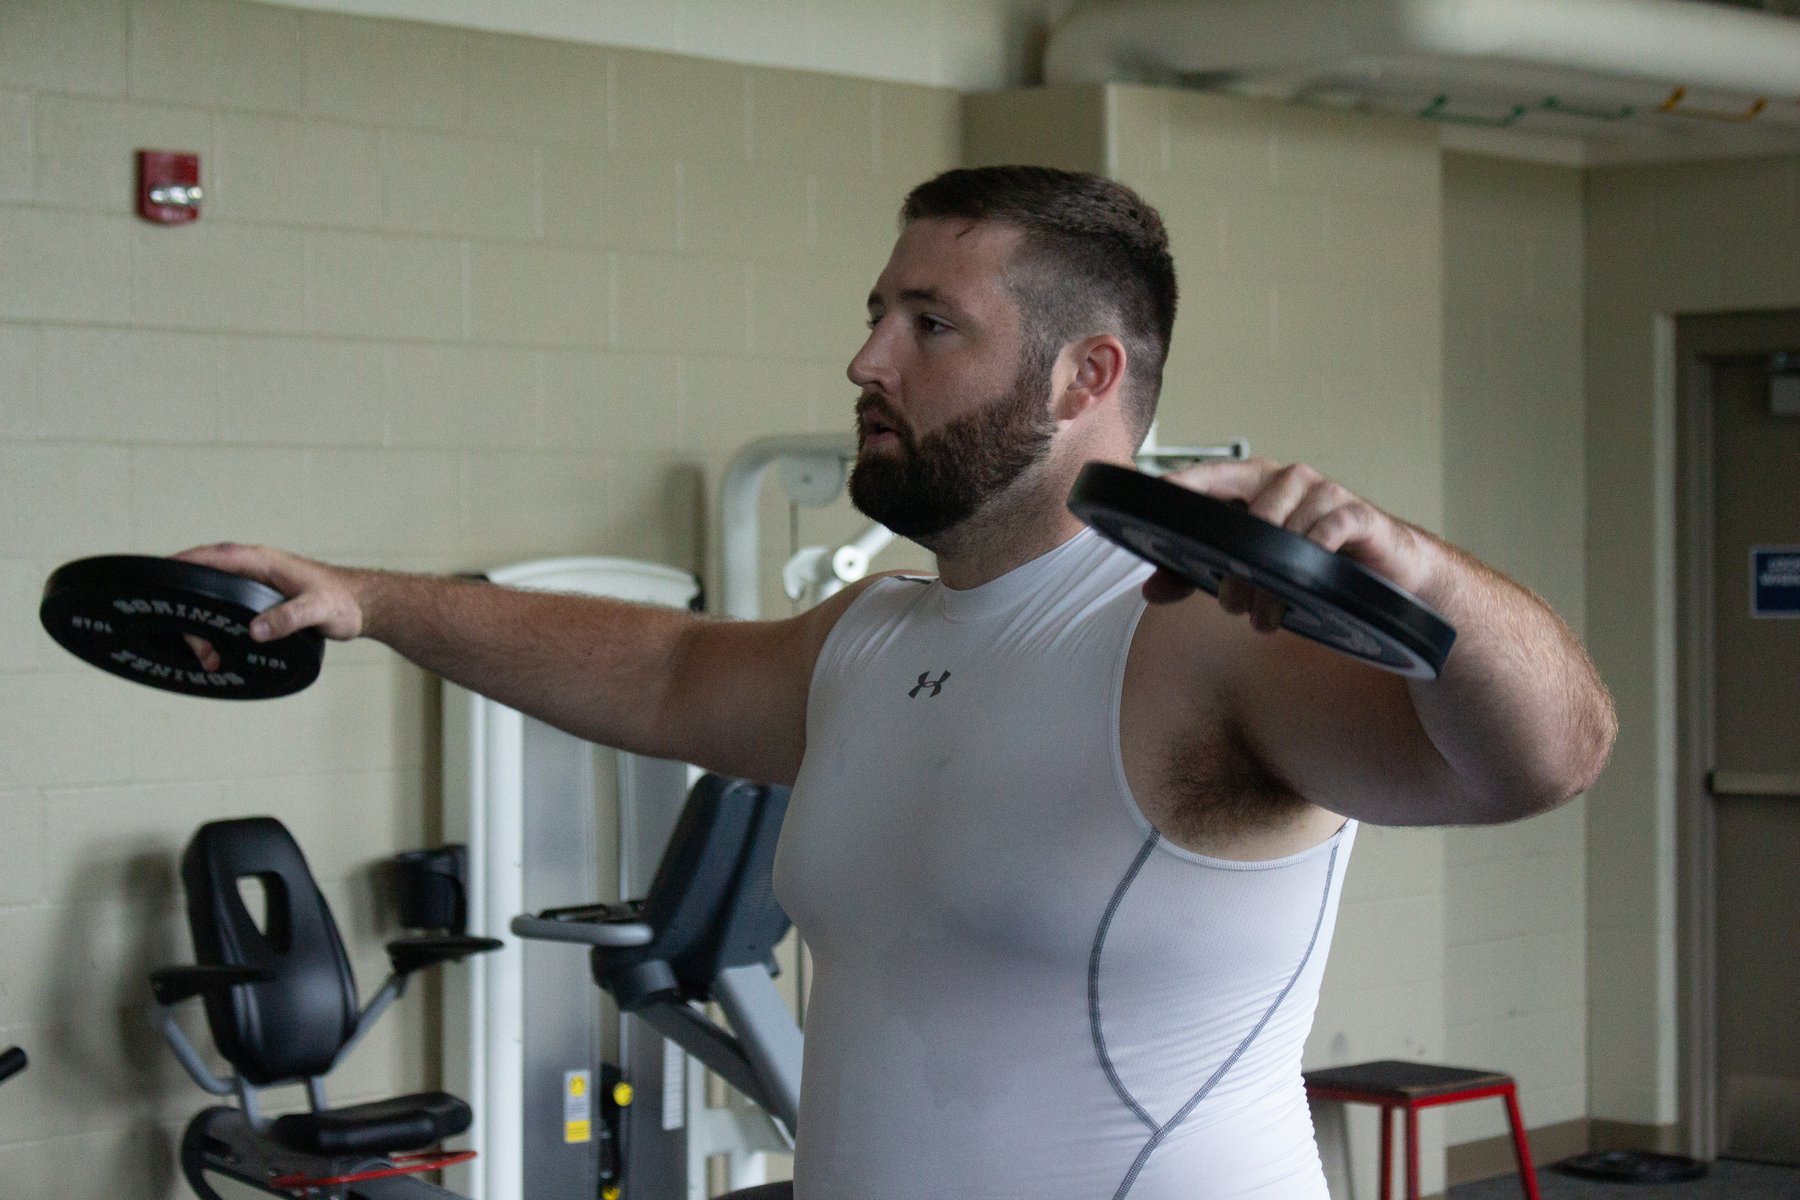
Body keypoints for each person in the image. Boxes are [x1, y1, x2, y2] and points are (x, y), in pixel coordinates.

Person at [179, 166, 1615, 1199]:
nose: (866, 358)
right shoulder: (876, 641)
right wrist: (366, 601)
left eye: (930, 323)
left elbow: (1546, 759)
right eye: (877, 312)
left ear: (1080, 377)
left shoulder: (1206, 634)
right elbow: (669, 672)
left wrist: (1418, 572)